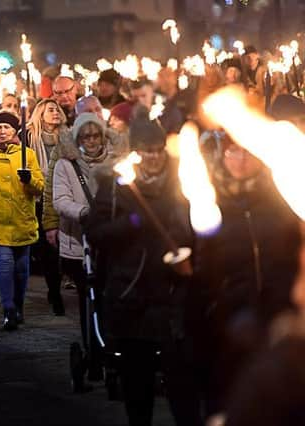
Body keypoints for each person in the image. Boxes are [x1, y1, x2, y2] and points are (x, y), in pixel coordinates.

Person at [85, 114, 197, 426]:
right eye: (147, 150)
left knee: (183, 388)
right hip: (132, 297)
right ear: (135, 152)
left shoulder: (183, 182)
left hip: (173, 298)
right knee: (138, 390)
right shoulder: (115, 187)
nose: (154, 157)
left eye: (159, 149)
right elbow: (95, 233)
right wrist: (132, 223)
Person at [189, 132, 301, 419]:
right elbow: (203, 266)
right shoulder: (210, 202)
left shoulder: (280, 199)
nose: (241, 159)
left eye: (248, 151)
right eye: (233, 151)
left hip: (276, 317)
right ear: (223, 155)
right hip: (228, 321)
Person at [0, 110, 44, 330]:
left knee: (21, 269)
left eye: (6, 127)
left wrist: (29, 179)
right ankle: (8, 309)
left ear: (15, 131)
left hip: (22, 219)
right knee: (5, 263)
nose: (2, 131)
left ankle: (19, 305)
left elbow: (40, 187)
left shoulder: (27, 154)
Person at [52, 113, 115, 363]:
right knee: (87, 297)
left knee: (110, 296)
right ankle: (92, 346)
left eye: (96, 135)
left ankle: (111, 343)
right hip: (80, 243)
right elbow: (60, 199)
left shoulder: (114, 161)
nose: (92, 141)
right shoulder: (65, 164)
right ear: (78, 138)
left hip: (111, 240)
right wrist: (84, 213)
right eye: (86, 136)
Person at [28, 99, 69, 315]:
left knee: (64, 247)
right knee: (48, 250)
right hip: (40, 198)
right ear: (40, 115)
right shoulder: (30, 138)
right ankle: (54, 290)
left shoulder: (69, 136)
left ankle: (61, 280)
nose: (55, 112)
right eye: (50, 110)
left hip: (65, 196)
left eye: (57, 109)